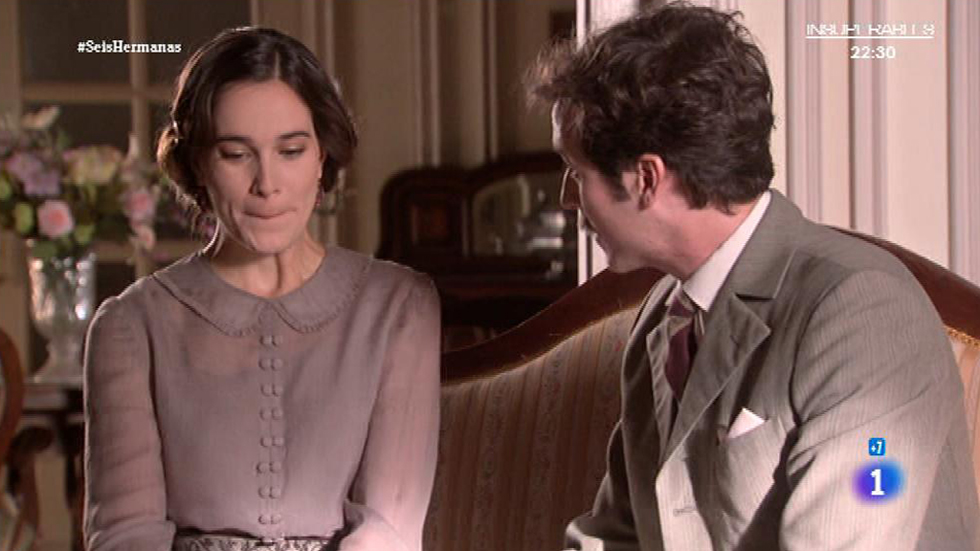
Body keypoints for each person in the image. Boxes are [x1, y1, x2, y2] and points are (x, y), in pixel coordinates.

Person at [526, 3, 979, 550]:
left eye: (577, 172)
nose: (567, 198)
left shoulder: (863, 310)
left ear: (647, 178)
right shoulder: (664, 315)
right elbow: (617, 535)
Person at [83, 27, 440, 551]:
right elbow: (125, 536)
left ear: (322, 157)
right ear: (198, 163)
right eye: (236, 154)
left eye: (291, 150)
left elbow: (390, 530)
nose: (267, 184)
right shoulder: (130, 326)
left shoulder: (400, 306)